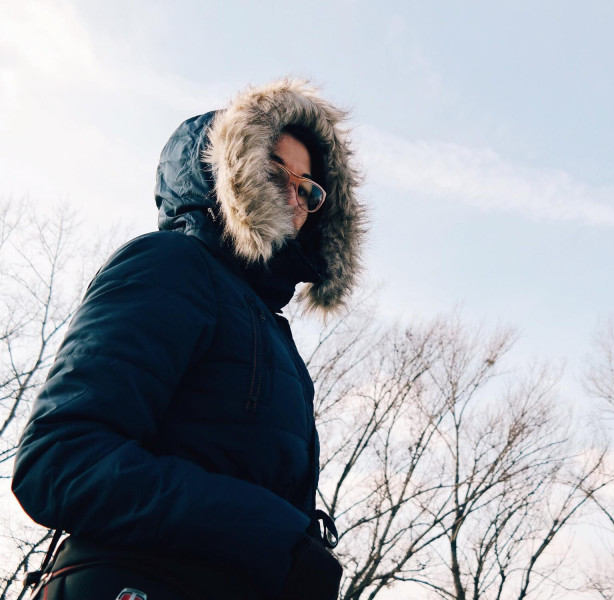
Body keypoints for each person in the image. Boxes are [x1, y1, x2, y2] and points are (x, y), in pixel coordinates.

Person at [11, 78, 366, 600]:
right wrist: (274, 538)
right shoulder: (171, 264)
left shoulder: (270, 328)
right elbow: (60, 459)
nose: (294, 198)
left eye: (309, 190)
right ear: (230, 173)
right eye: (275, 173)